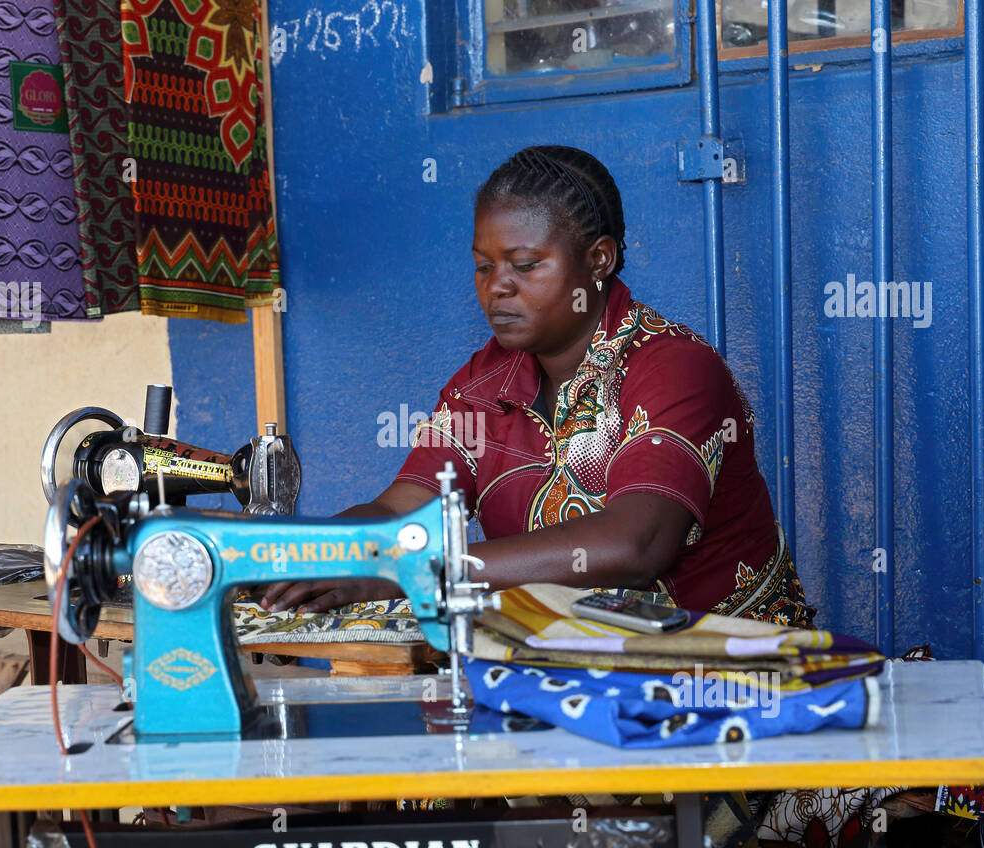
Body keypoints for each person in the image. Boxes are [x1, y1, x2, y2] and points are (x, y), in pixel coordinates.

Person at [261, 144, 814, 627]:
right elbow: (404, 511)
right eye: (483, 266)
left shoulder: (673, 368)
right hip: (573, 667)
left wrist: (422, 574)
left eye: (524, 265)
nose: (497, 287)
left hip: (731, 672)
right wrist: (305, 553)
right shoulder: (484, 383)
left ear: (599, 259)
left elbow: (635, 542)